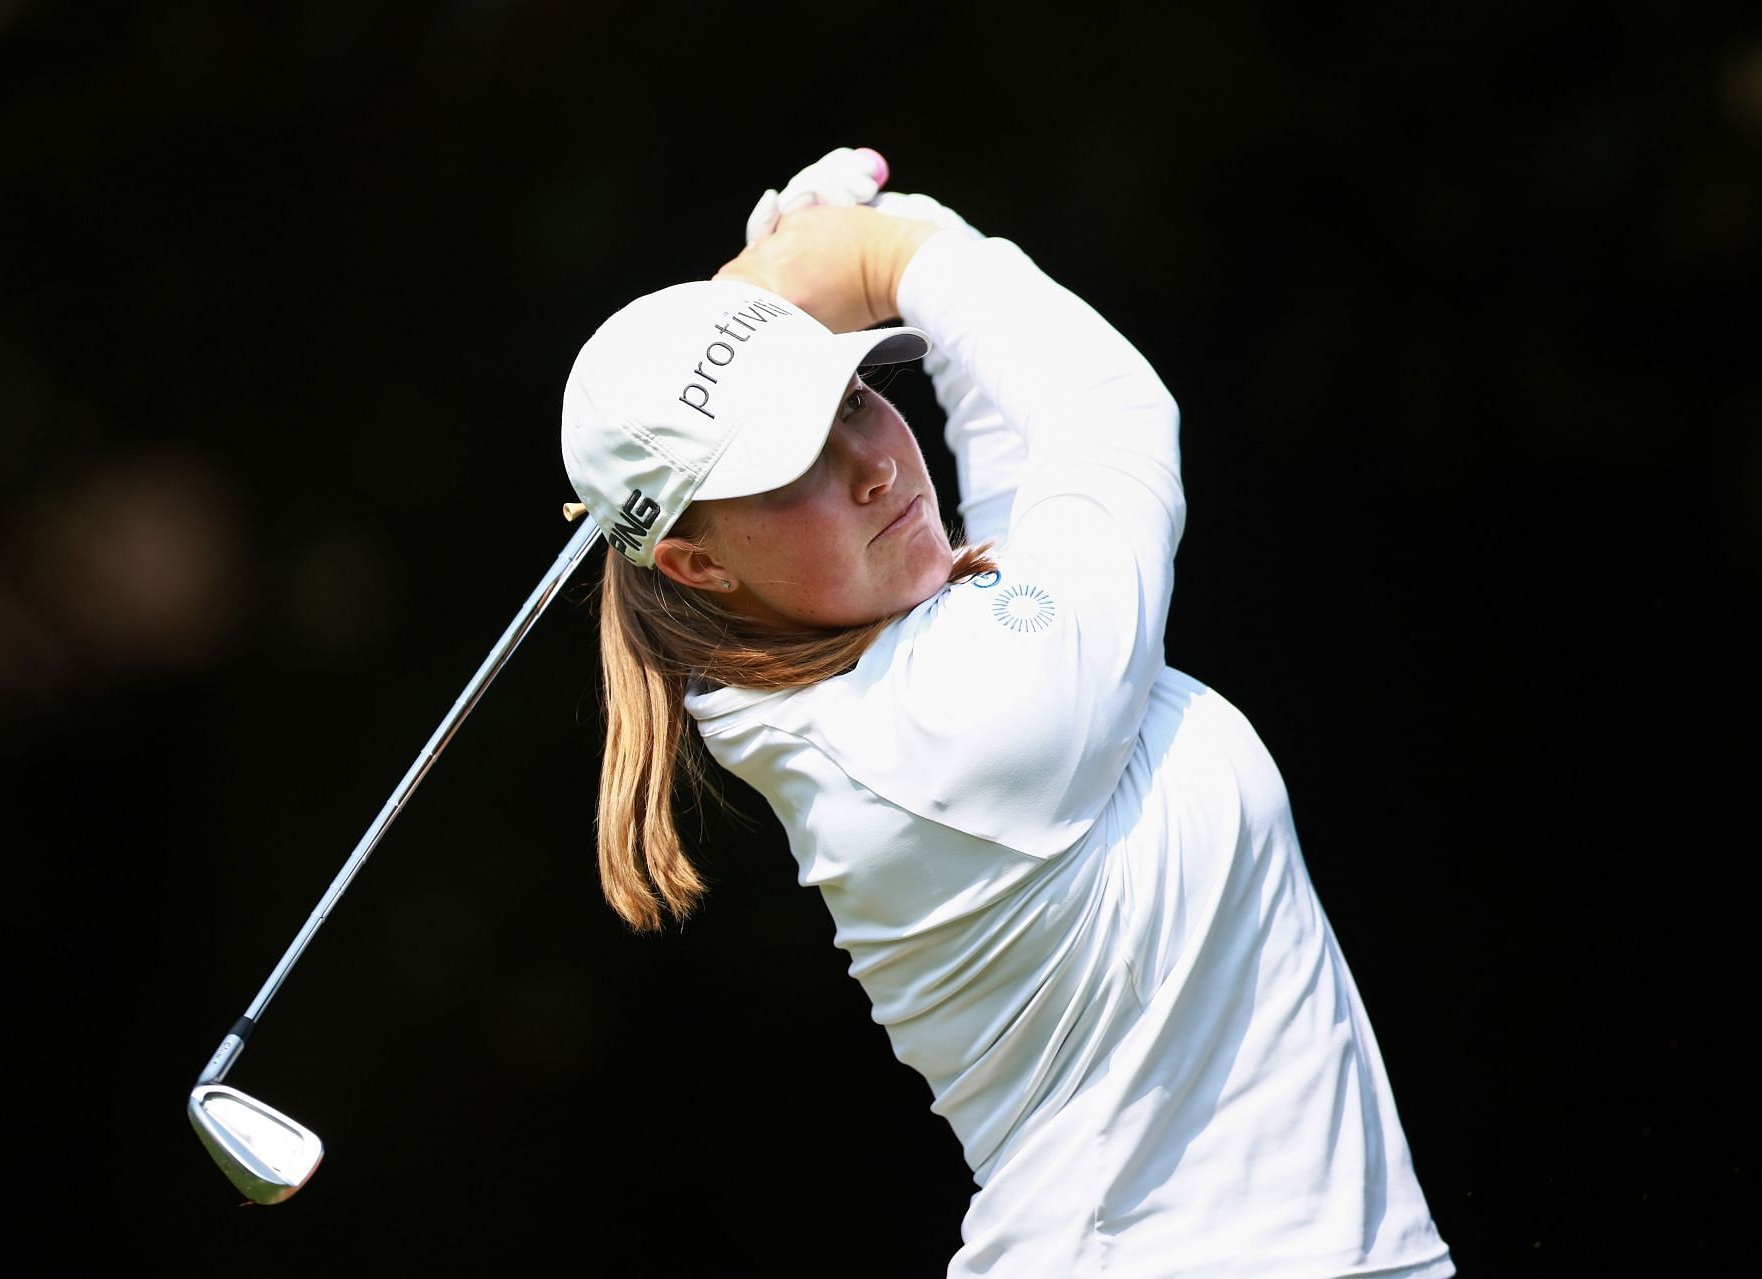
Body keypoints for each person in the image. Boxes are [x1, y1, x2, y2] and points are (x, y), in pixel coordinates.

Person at [558, 148, 1454, 1278]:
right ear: (694, 563)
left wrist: (895, 240)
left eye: (858, 398)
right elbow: (1106, 420)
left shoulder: (876, 679)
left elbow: (1016, 457)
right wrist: (888, 254)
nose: (875, 466)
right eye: (793, 467)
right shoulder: (954, 721)